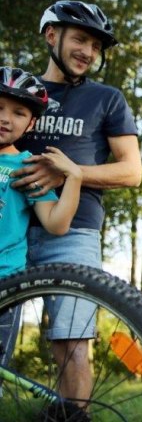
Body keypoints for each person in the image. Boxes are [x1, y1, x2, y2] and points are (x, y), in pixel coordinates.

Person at [10, 0, 142, 406]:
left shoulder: (108, 98)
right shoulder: (15, 90)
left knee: (72, 343)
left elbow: (131, 172)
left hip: (74, 232)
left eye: (96, 46)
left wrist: (73, 171)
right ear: (52, 35)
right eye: (80, 39)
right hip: (9, 228)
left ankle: (73, 418)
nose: (88, 51)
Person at [0, 66, 82, 366]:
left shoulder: (25, 165)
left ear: (32, 123)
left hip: (4, 285)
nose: (5, 118)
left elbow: (56, 223)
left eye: (19, 113)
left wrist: (74, 176)